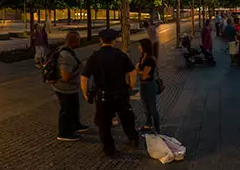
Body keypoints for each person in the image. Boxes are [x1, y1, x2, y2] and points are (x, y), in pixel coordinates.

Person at [80, 28, 140, 157]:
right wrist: (130, 86)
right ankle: (133, 138)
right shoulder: (121, 55)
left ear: (101, 40)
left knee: (104, 123)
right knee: (126, 117)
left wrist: (85, 93)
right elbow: (132, 72)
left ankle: (109, 148)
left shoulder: (94, 57)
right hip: (120, 93)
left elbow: (84, 78)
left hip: (103, 95)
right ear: (114, 40)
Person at [53, 31, 89, 141]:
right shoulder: (66, 56)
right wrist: (78, 71)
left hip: (70, 88)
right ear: (74, 42)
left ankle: (75, 125)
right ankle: (64, 133)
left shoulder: (64, 50)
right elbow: (65, 76)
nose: (80, 42)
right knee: (66, 110)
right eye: (79, 40)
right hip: (65, 88)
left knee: (73, 107)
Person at [137, 39, 160, 134]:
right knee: (145, 106)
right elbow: (140, 71)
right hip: (143, 85)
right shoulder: (142, 57)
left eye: (140, 45)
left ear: (145, 47)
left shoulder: (150, 59)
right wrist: (139, 71)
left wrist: (137, 71)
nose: (138, 47)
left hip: (150, 85)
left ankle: (157, 127)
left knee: (152, 107)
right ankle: (148, 123)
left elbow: (144, 75)